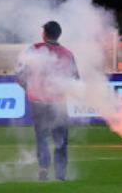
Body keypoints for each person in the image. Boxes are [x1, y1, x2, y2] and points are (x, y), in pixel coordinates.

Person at [15, 21, 78, 182]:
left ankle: (43, 170)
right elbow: (75, 79)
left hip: (38, 101)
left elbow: (20, 74)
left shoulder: (33, 49)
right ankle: (61, 174)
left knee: (42, 137)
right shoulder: (67, 53)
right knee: (60, 138)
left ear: (44, 34)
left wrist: (30, 89)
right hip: (59, 102)